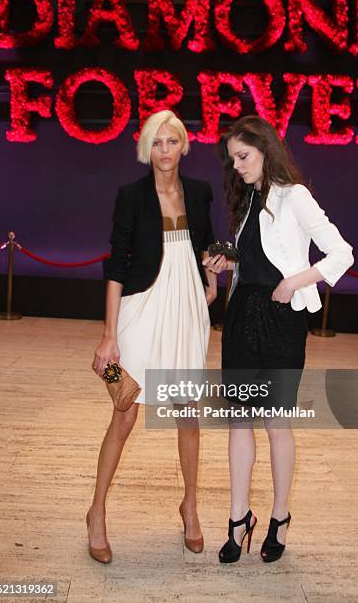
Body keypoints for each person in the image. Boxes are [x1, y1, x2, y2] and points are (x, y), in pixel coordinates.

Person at [203, 115, 354, 564]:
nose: (237, 166)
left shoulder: (295, 197)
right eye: (232, 160)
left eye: (243, 156)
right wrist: (230, 266)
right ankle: (237, 519)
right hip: (242, 319)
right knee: (238, 422)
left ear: (266, 150)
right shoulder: (249, 200)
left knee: (275, 422)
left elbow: (341, 253)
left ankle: (280, 518)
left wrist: (296, 281)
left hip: (283, 322)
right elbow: (258, 260)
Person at [87, 110, 217, 563]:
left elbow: (208, 246)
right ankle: (97, 511)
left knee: (187, 413)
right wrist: (109, 336)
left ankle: (191, 506)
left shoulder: (200, 193)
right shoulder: (131, 196)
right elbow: (116, 265)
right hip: (138, 312)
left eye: (172, 141)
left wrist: (213, 276)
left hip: (186, 314)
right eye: (157, 143)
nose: (165, 150)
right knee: (124, 412)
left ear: (184, 145)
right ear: (147, 148)